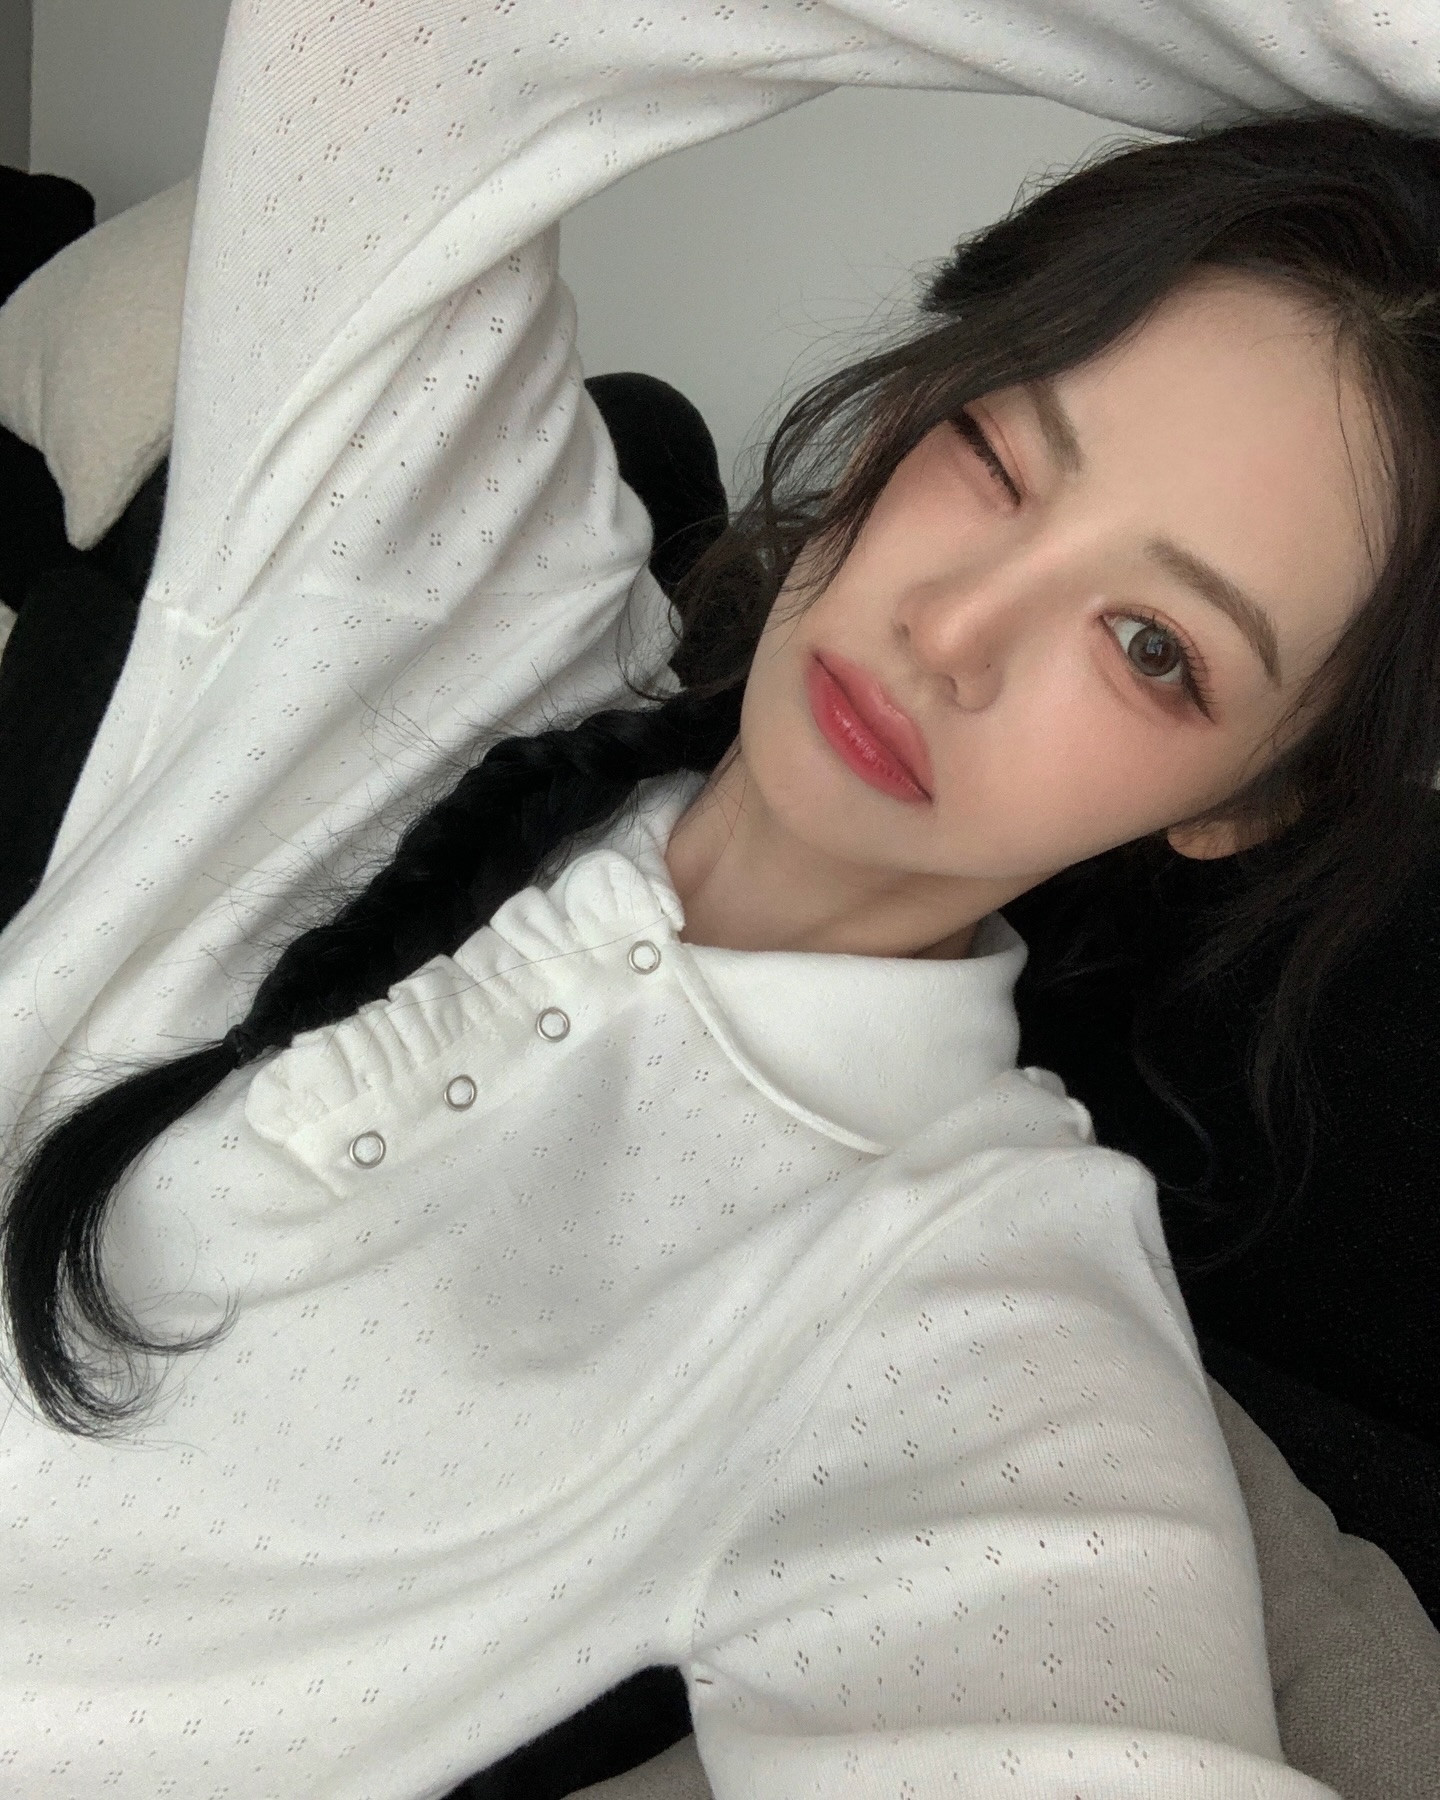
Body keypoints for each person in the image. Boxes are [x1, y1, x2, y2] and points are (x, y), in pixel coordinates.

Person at [2, 2, 1439, 1795]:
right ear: (909, 403)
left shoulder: (971, 1314)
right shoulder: (439, 599)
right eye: (998, 453)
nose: (953, 629)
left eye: (1152, 646)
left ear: (1248, 799)